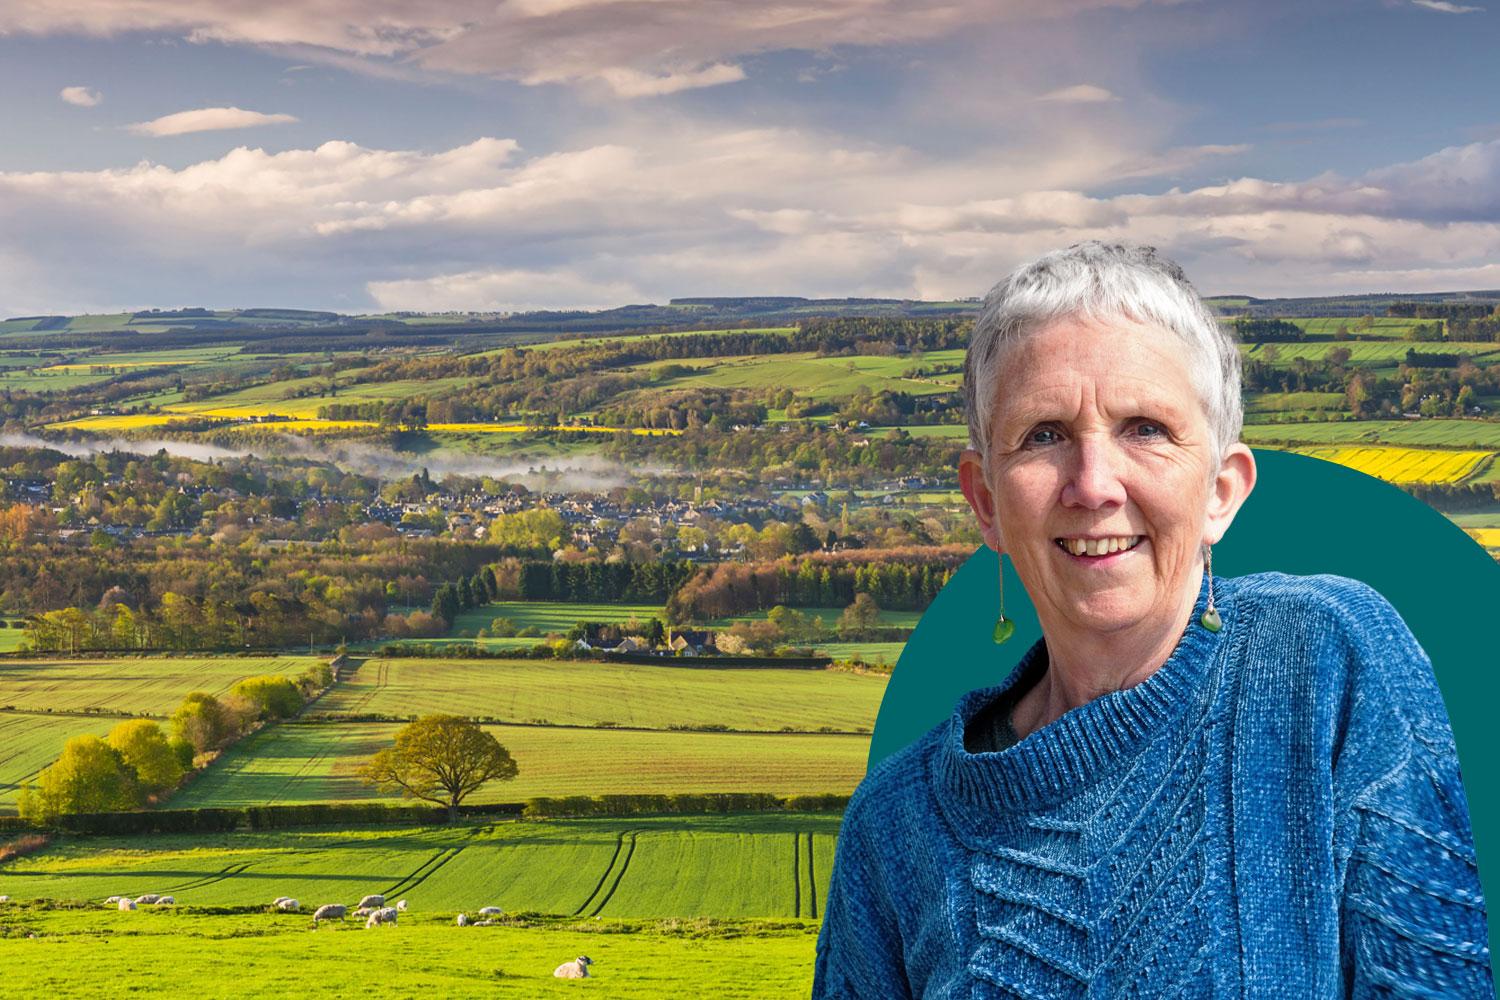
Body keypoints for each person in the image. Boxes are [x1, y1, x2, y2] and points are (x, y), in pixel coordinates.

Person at [812, 242, 1493, 998]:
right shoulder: (893, 829)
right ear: (985, 501)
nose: (1094, 485)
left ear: (1222, 492)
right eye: (1044, 435)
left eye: (1145, 428)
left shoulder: (1327, 661)